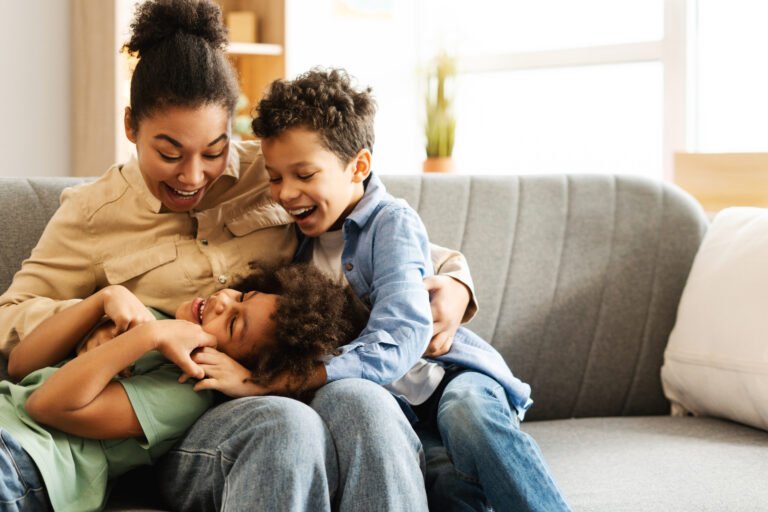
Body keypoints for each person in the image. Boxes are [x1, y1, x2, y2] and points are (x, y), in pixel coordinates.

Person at [0, 1, 477, 509]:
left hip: (267, 388)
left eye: (213, 150)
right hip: (174, 419)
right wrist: (101, 315)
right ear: (131, 126)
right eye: (168, 153)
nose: (192, 177)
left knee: (360, 403)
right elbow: (13, 318)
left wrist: (455, 282)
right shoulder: (91, 214)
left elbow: (375, 231)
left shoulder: (274, 171)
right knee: (285, 423)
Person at [249, 67, 573, 512]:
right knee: (443, 482)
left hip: (448, 377)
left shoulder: (391, 223)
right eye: (274, 176)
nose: (286, 192)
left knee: (468, 416)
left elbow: (403, 334)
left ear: (358, 166)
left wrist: (311, 374)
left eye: (304, 174)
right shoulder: (295, 246)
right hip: (399, 406)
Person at [2, 263, 361, 511]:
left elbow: (45, 406)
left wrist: (147, 336)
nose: (223, 300)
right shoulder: (156, 322)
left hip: (26, 461)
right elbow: (21, 365)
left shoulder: (185, 390)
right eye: (243, 295)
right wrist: (103, 298)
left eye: (233, 324)